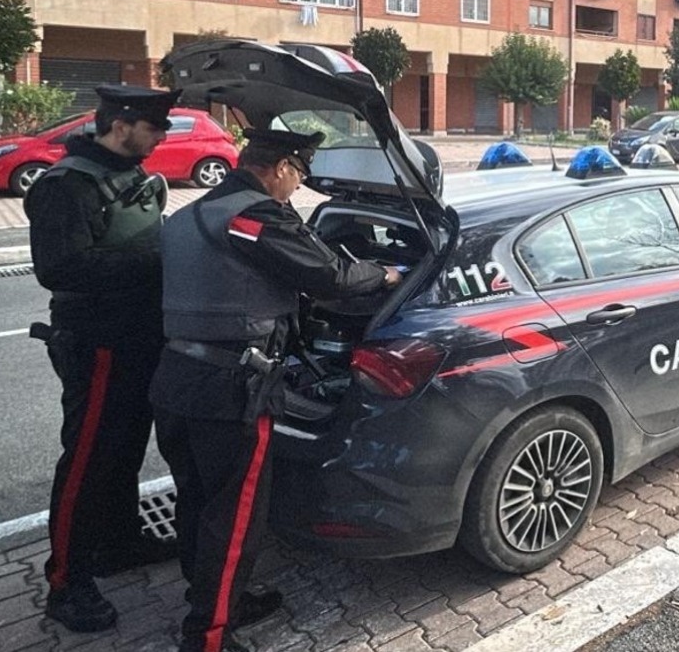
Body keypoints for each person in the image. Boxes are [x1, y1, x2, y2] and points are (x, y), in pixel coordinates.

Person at [150, 128, 402, 652]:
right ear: (282, 167)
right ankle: (209, 636)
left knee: (197, 501)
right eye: (299, 174)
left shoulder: (189, 215)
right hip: (230, 388)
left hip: (175, 378)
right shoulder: (254, 215)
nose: (299, 185)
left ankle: (217, 600)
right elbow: (327, 276)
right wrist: (383, 274)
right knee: (235, 518)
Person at [24, 84, 182, 633]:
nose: (163, 137)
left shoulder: (128, 172)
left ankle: (117, 543)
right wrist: (157, 266)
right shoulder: (65, 186)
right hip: (98, 343)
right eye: (154, 128)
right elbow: (61, 268)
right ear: (120, 126)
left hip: (139, 337)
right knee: (87, 462)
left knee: (124, 452)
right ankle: (65, 582)